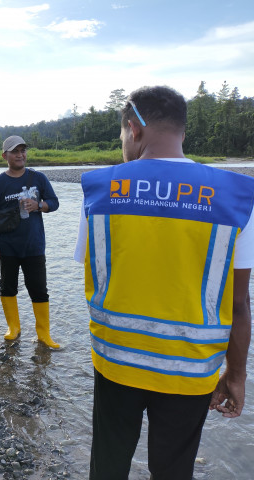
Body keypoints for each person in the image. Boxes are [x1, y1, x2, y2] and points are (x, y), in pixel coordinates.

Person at [74, 86, 254, 479]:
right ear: (182, 133)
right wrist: (236, 376)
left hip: (116, 364)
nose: (122, 143)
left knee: (108, 463)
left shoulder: (100, 190)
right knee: (173, 470)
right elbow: (239, 304)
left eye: (121, 134)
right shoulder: (236, 197)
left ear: (133, 127)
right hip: (190, 369)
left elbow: (94, 273)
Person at [0, 136, 60, 347]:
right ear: (4, 155)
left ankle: (44, 334)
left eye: (23, 150)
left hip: (34, 246)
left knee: (39, 289)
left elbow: (54, 202)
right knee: (8, 287)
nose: (20, 155)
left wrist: (39, 205)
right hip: (7, 247)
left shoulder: (38, 178)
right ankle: (13, 328)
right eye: (14, 151)